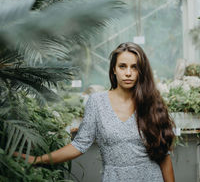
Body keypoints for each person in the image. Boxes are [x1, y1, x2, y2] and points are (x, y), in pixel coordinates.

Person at [16, 42, 175, 182]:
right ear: (114, 69)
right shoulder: (97, 102)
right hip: (114, 177)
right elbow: (79, 145)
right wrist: (38, 159)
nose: (128, 73)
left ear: (141, 71)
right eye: (122, 66)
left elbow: (163, 155)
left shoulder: (150, 103)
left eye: (134, 67)